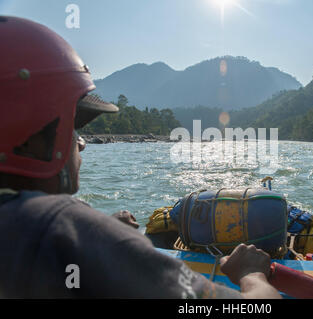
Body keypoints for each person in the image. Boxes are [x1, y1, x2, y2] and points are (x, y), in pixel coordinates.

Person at [0, 16, 281, 299]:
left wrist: (104, 236)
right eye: (74, 128)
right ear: (33, 136)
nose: (81, 144)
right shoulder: (64, 227)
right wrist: (253, 275)